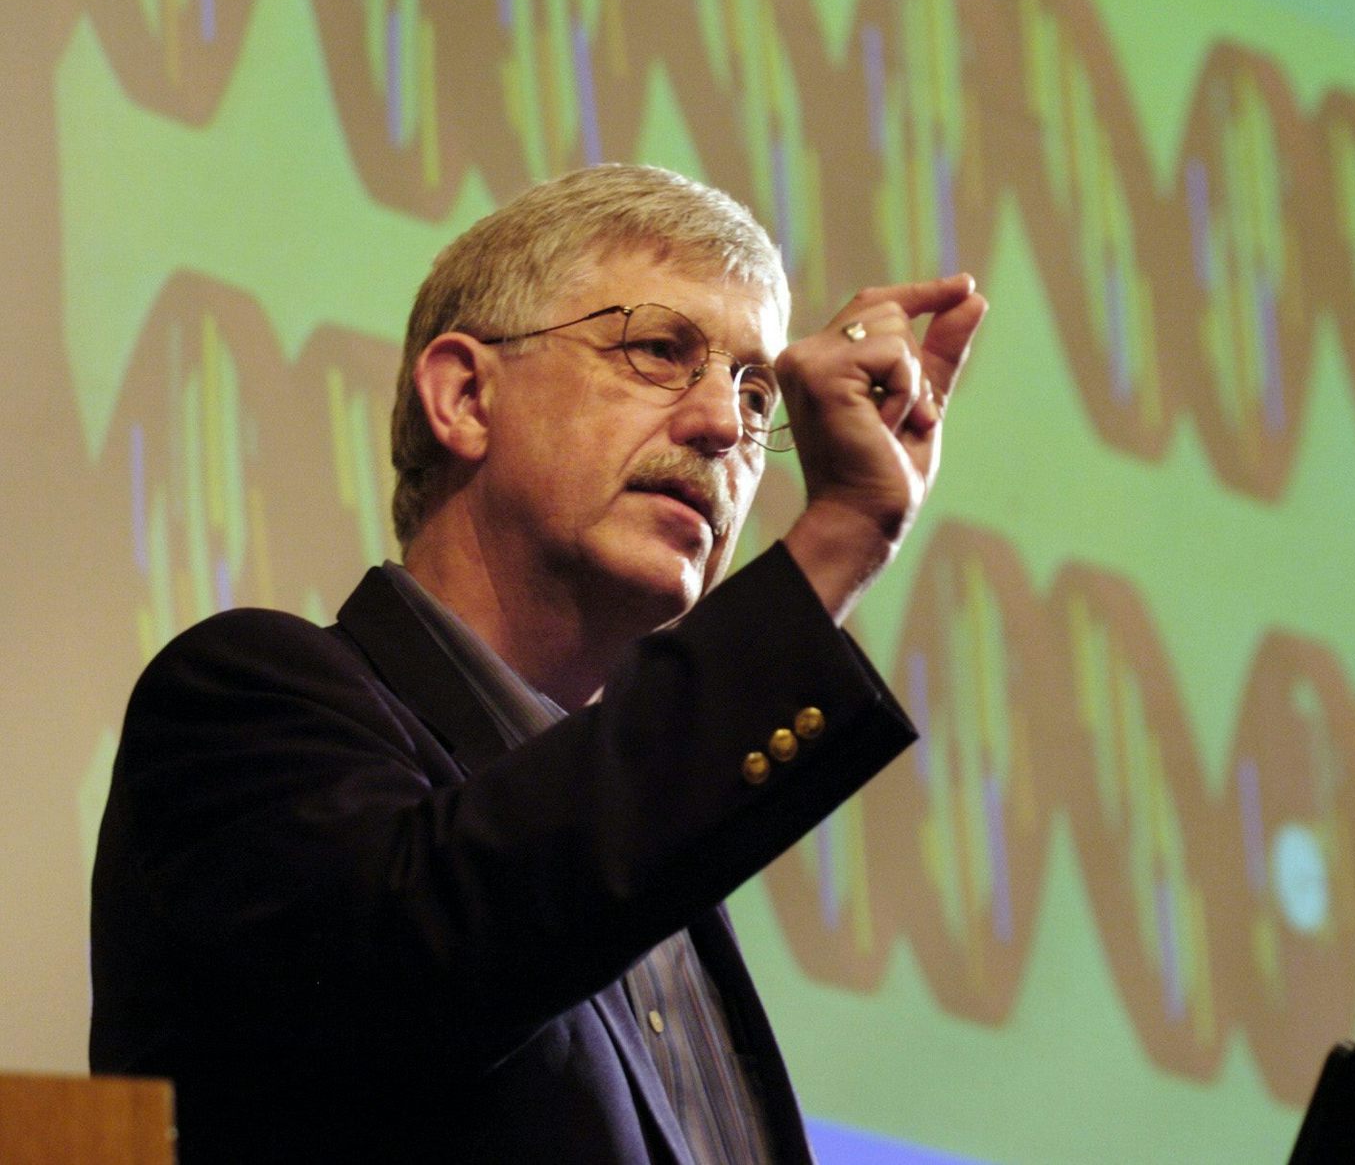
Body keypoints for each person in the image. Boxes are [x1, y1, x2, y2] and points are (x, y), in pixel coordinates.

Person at [89, 164, 987, 1162]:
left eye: (755, 389)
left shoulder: (660, 873)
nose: (726, 426)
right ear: (466, 395)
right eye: (659, 350)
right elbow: (425, 961)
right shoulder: (242, 702)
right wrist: (841, 535)